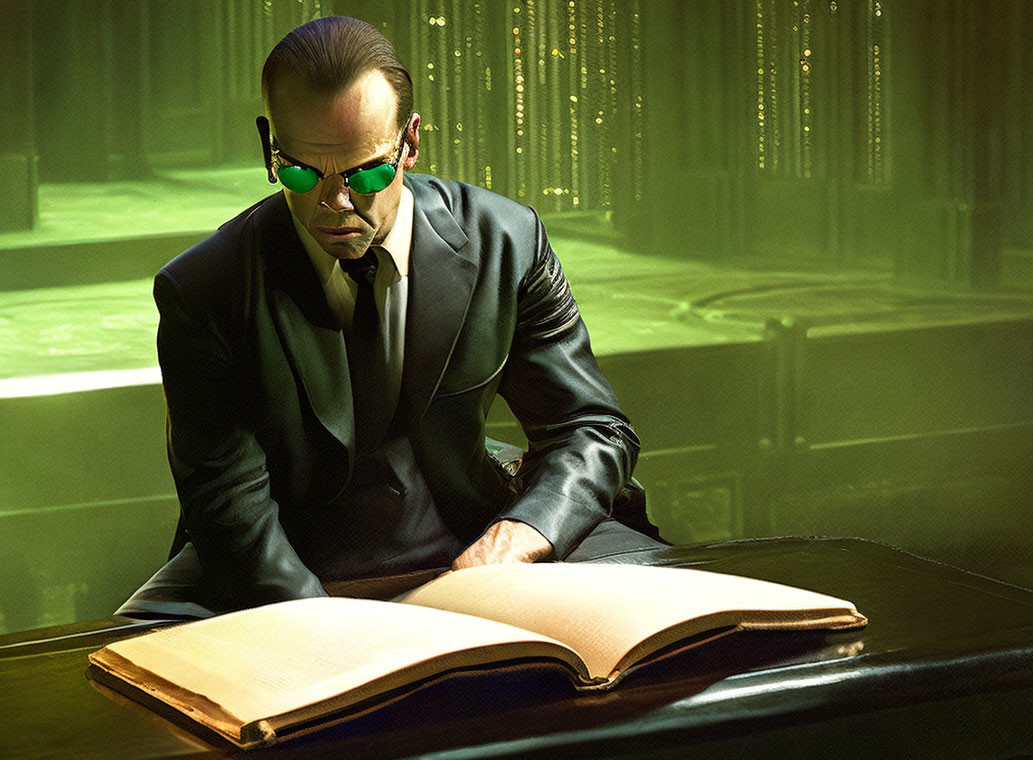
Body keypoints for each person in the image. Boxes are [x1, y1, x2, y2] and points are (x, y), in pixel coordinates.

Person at [118, 16, 666, 619]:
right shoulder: (204, 289)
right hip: (283, 561)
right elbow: (229, 507)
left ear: (409, 142)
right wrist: (335, 634)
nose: (336, 203)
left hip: (472, 530)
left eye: (367, 172)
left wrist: (515, 539)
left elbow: (592, 428)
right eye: (301, 171)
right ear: (267, 146)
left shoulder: (505, 241)